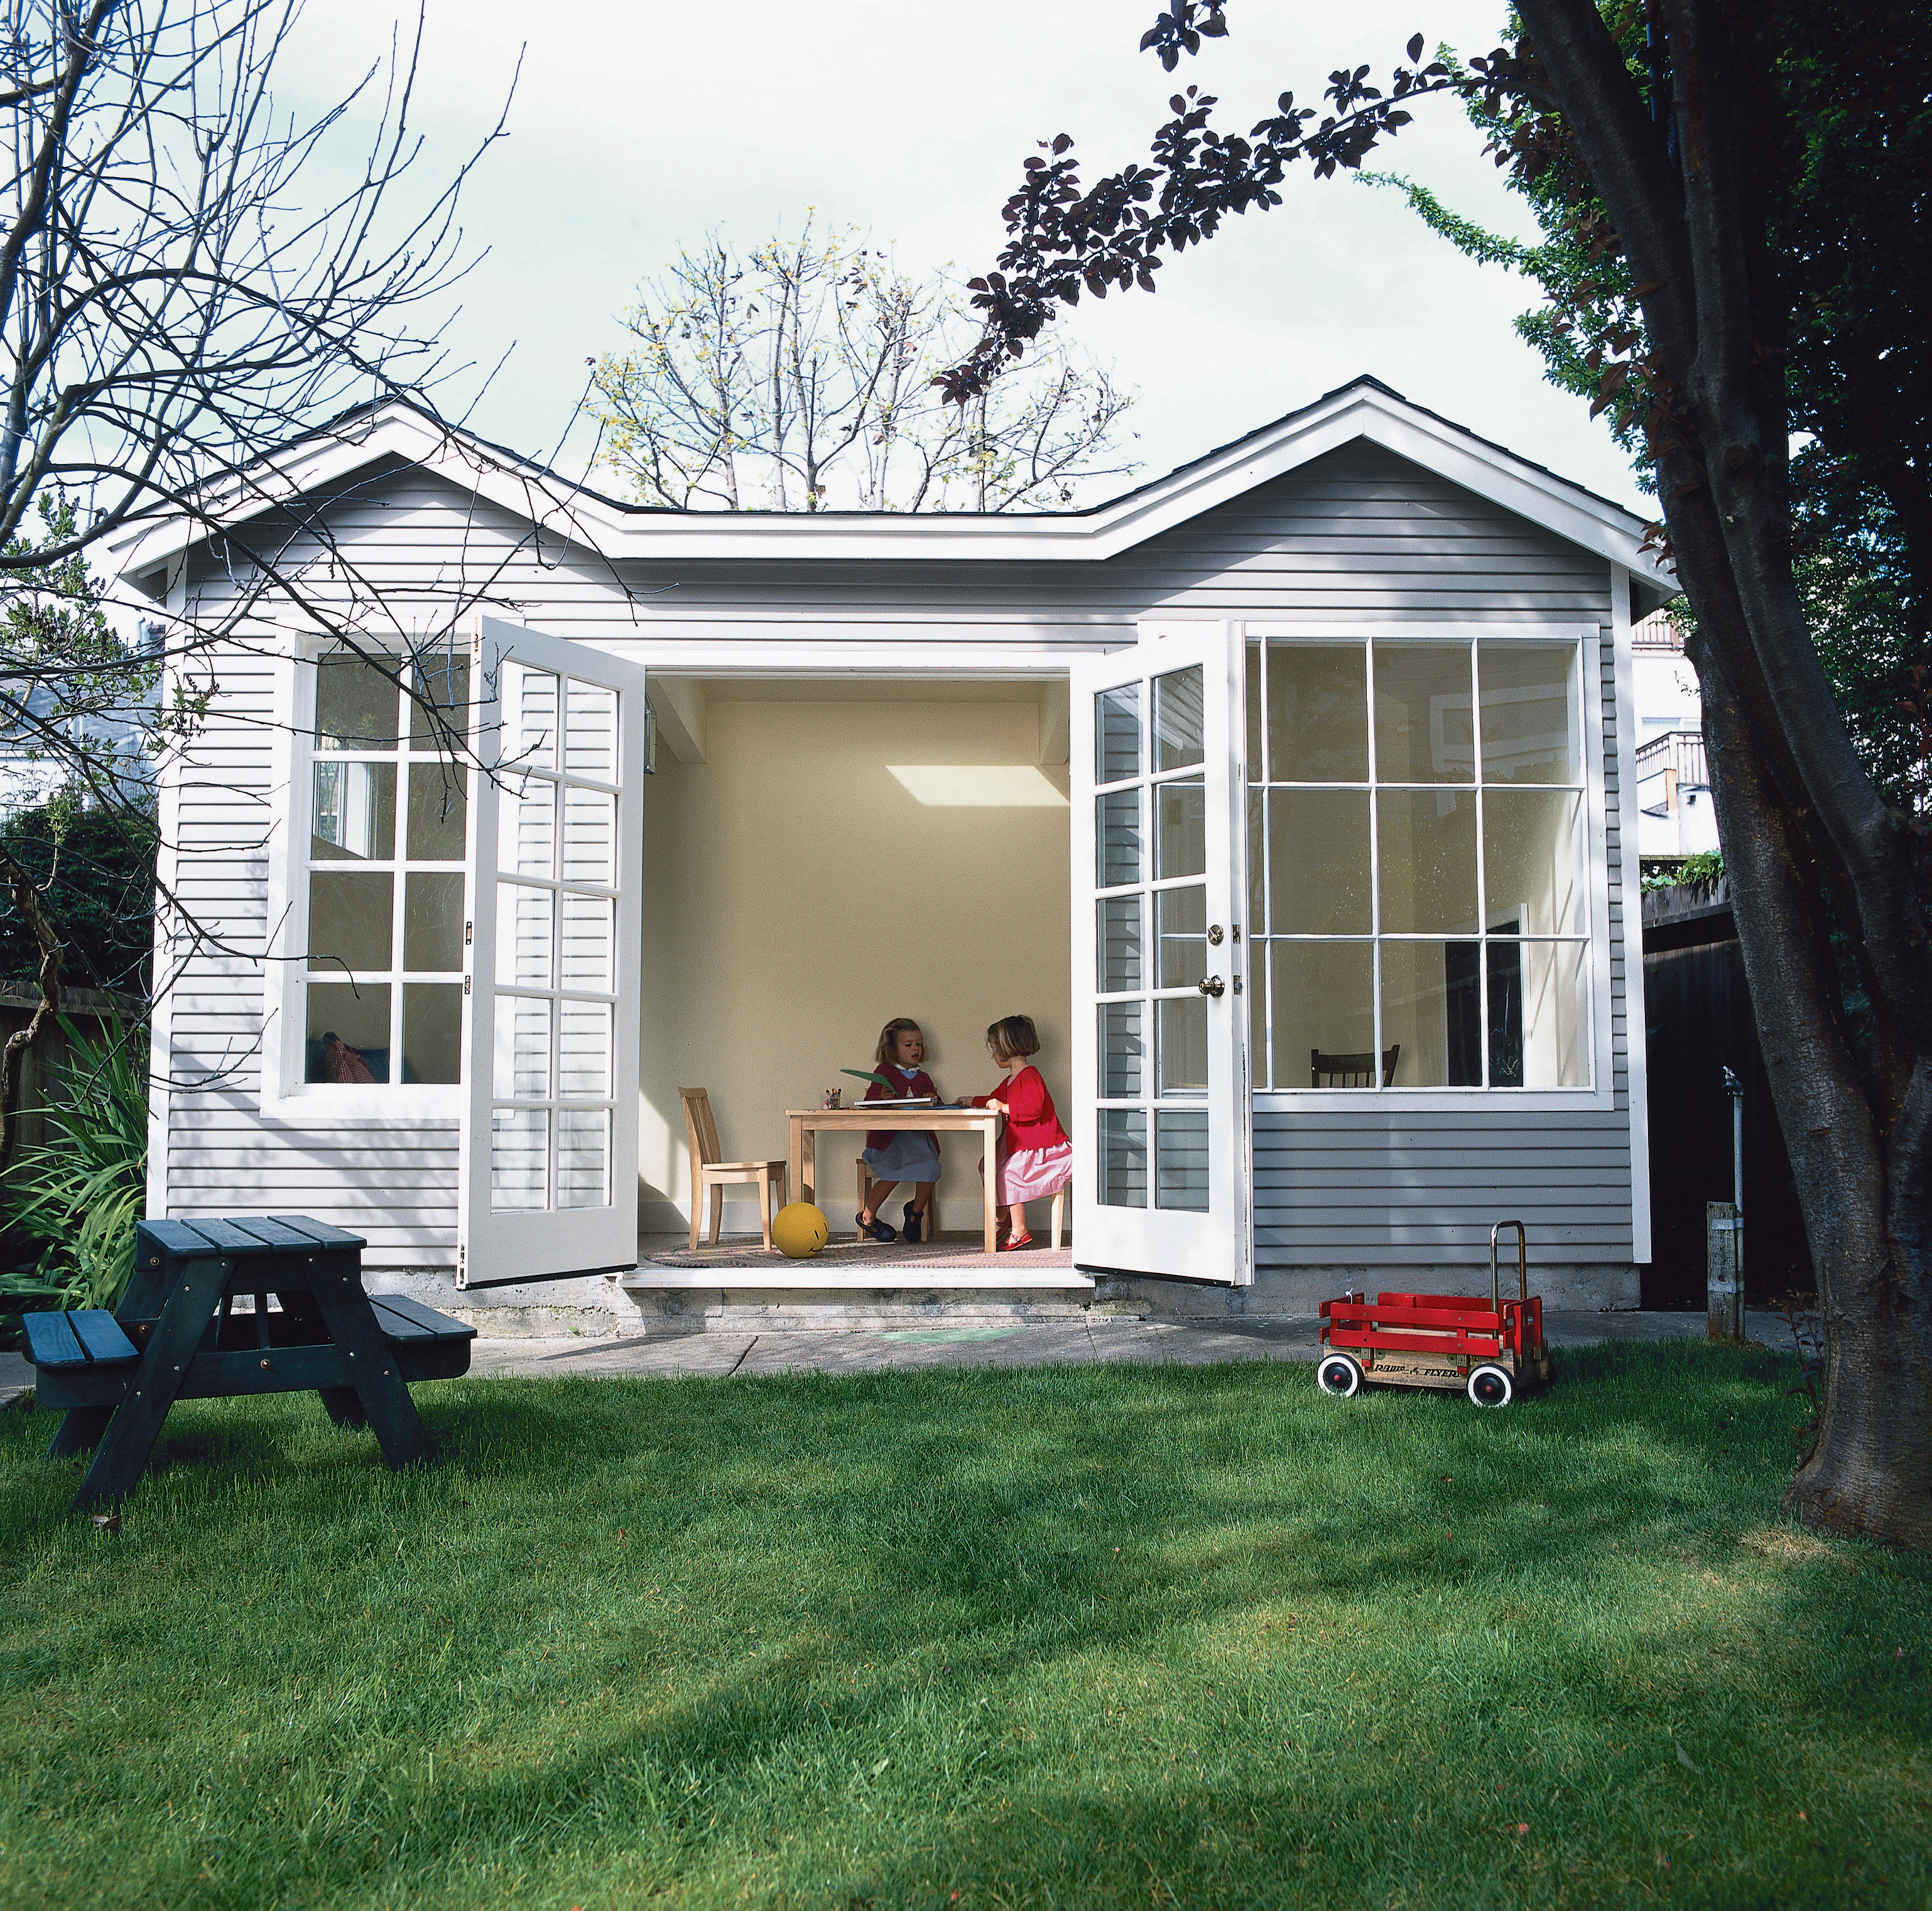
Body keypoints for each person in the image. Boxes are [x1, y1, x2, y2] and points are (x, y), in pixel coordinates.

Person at [970, 1015, 1072, 1250]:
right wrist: (971, 1100)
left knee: (1008, 1173)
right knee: (988, 1165)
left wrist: (1005, 1108)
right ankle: (1003, 1215)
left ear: (1008, 1049)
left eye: (995, 1050)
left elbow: (1033, 1108)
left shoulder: (1030, 1076)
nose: (993, 1056)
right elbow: (992, 1099)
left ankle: (1019, 1229)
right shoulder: (1010, 1081)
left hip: (1041, 1146)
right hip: (1021, 1144)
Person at [857, 1017, 942, 1243]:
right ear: (892, 1049)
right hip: (889, 1141)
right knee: (892, 1171)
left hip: (917, 1141)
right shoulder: (884, 1072)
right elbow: (870, 1099)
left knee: (931, 1167)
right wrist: (881, 1098)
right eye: (908, 1045)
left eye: (919, 1044)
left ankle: (914, 1213)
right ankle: (867, 1217)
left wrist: (931, 1098)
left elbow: (937, 1102)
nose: (915, 1048)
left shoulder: (923, 1077)